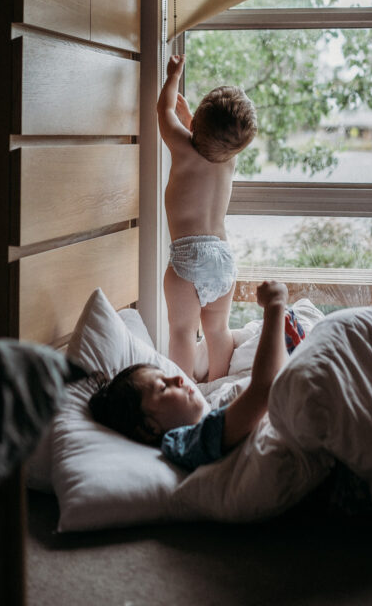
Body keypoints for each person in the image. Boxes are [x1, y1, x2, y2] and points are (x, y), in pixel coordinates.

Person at [89, 281, 290, 472]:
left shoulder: (200, 424)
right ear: (149, 428)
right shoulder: (189, 441)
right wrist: (275, 305)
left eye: (165, 378)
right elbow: (266, 390)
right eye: (163, 387)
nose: (178, 379)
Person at [157, 53, 257, 381]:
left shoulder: (183, 148)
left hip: (190, 258)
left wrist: (173, 75)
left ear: (196, 125)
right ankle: (217, 387)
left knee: (183, 333)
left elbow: (163, 111)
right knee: (218, 332)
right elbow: (211, 145)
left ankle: (183, 387)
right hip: (224, 258)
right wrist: (193, 122)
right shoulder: (228, 161)